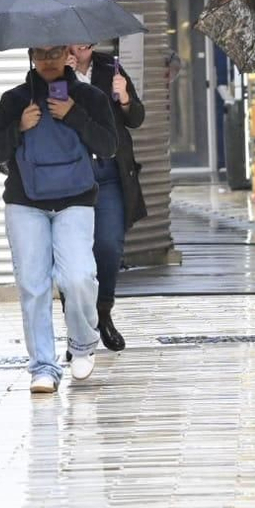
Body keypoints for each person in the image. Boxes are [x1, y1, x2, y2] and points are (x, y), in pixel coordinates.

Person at [0, 45, 118, 395]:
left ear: (67, 54)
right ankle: (43, 367)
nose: (48, 59)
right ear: (30, 54)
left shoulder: (90, 97)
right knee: (33, 285)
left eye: (55, 51)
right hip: (25, 202)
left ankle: (82, 345)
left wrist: (74, 114)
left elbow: (108, 147)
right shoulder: (14, 100)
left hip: (75, 201)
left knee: (79, 277)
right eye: (41, 52)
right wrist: (20, 126)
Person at [67, 42, 148, 350]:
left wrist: (125, 97)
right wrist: (66, 79)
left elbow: (136, 118)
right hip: (73, 175)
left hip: (111, 172)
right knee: (75, 254)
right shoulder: (54, 71)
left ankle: (103, 313)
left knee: (109, 245)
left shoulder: (109, 67)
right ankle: (78, 328)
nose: (82, 42)